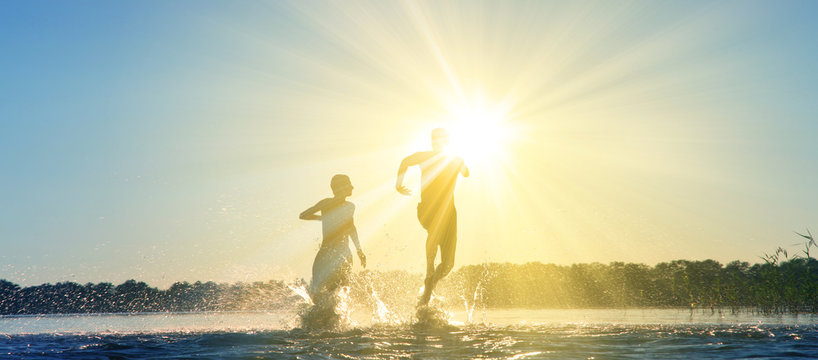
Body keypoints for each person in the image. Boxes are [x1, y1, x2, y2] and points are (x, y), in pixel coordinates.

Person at [395, 128, 469, 306]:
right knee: (434, 232)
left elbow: (466, 173)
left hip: (449, 212)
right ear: (433, 141)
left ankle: (431, 283)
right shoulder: (427, 156)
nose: (438, 142)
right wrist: (398, 184)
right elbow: (405, 161)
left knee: (448, 264)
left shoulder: (452, 159)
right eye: (436, 139)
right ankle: (429, 269)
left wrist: (460, 161)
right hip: (429, 208)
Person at [300, 174, 366, 301]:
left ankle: (322, 318)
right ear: (340, 187)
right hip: (341, 253)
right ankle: (334, 318)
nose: (352, 187)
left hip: (328, 252)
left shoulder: (326, 203)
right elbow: (351, 228)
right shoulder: (349, 206)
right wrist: (359, 251)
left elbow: (304, 215)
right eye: (349, 184)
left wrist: (321, 217)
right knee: (338, 292)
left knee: (318, 291)